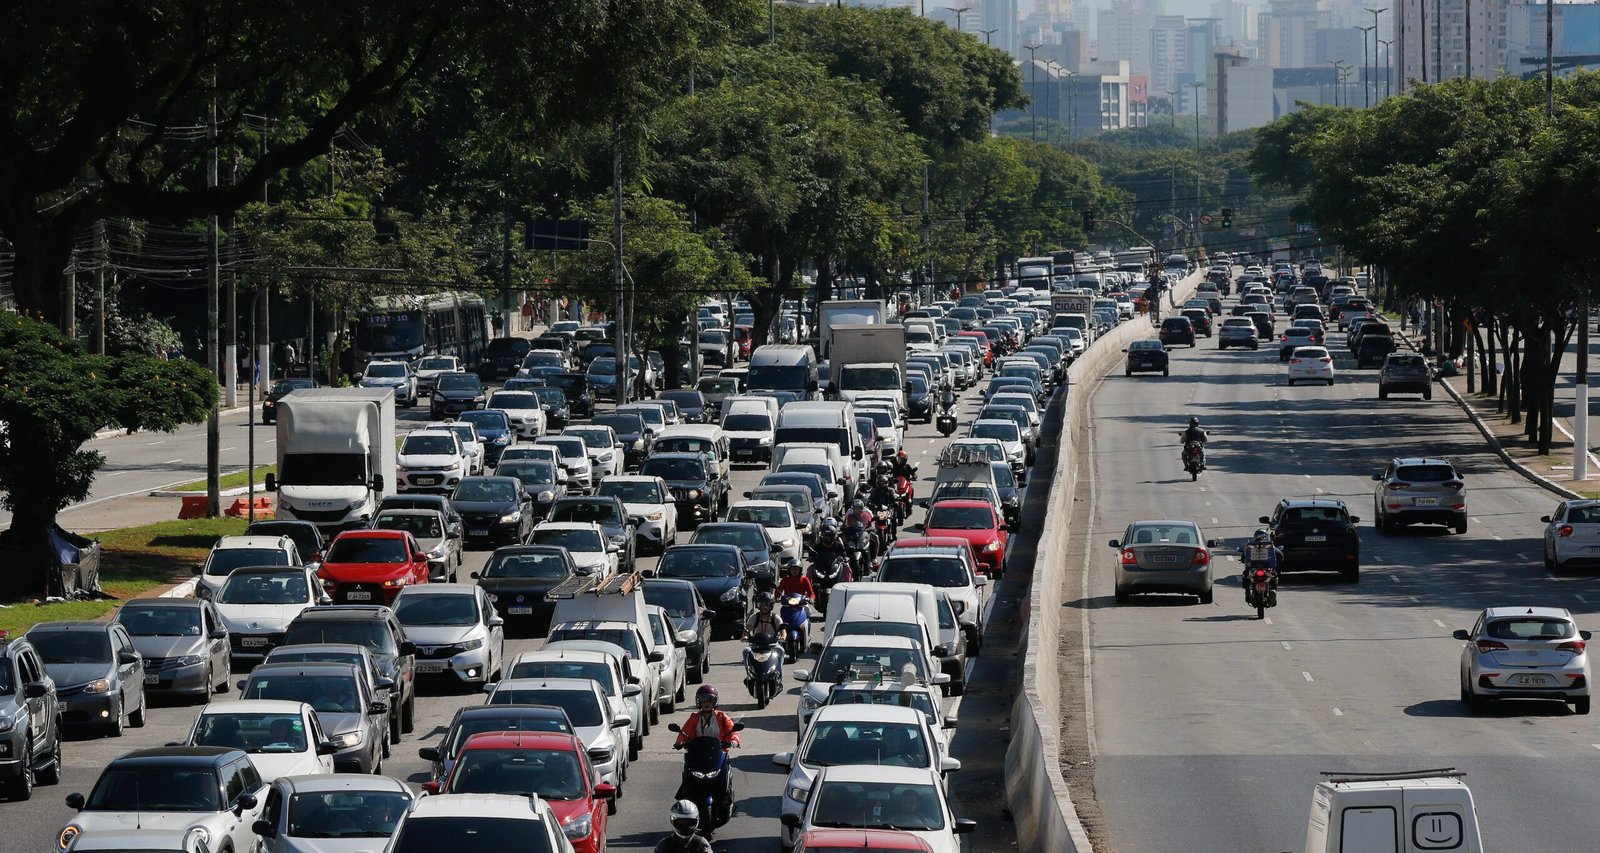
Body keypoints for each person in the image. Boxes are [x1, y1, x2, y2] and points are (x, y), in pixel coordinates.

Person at [674, 685, 741, 749]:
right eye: (703, 701)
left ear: (714, 702)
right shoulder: (694, 717)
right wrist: (679, 742)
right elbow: (684, 732)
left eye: (710, 701)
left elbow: (732, 731)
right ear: (699, 703)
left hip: (718, 751)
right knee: (688, 759)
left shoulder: (721, 716)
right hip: (697, 751)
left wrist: (734, 741)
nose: (706, 703)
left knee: (724, 759)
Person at [1239, 528, 1282, 604]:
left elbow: (1244, 557)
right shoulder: (1269, 546)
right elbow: (1280, 555)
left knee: (1245, 575)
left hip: (1253, 570)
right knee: (1274, 576)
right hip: (1266, 570)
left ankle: (1247, 591)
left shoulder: (1251, 546)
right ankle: (1273, 590)